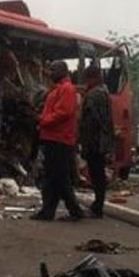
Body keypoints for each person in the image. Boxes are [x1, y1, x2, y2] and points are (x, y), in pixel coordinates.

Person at [31, 60, 84, 222]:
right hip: (53, 138)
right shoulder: (58, 89)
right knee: (52, 178)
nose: (50, 73)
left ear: (62, 71)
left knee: (59, 178)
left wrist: (43, 120)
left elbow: (63, 113)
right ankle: (48, 211)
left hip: (59, 139)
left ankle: (74, 211)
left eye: (53, 70)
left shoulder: (66, 89)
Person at [79, 63, 114, 218]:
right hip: (101, 139)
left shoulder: (94, 95)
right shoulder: (103, 92)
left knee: (96, 172)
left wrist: (83, 140)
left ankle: (98, 206)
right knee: (97, 172)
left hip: (94, 140)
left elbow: (91, 120)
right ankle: (98, 203)